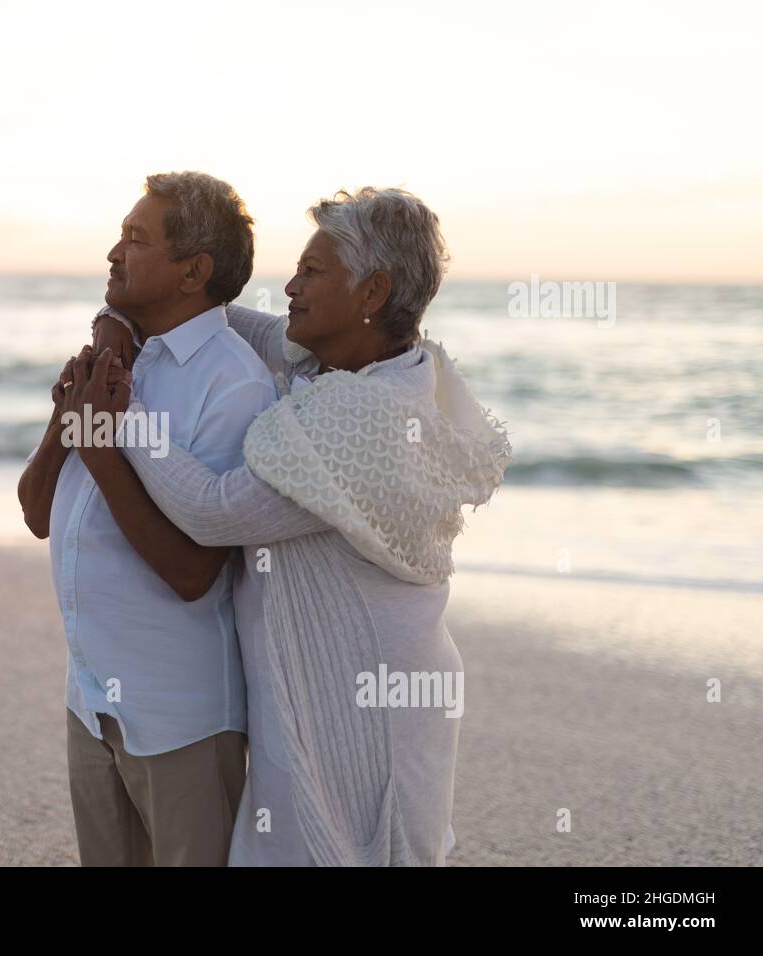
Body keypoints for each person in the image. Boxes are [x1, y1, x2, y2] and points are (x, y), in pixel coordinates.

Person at [79, 187, 511, 864]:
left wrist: (122, 418)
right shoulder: (329, 363)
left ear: (371, 292)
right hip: (302, 699)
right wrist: (119, 319)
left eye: (312, 274)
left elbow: (213, 511)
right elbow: (201, 315)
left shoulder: (368, 420)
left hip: (366, 713)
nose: (289, 286)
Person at [16, 171, 275, 865]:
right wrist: (64, 423)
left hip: (179, 720)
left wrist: (101, 448)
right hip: (89, 700)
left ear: (194, 271)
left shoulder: (234, 385)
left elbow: (195, 572)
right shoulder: (116, 357)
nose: (113, 253)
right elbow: (37, 512)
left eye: (136, 239)